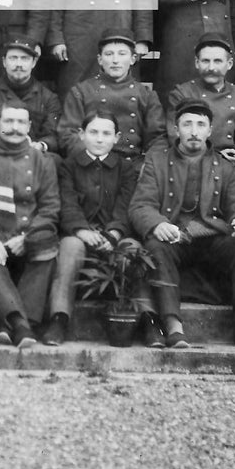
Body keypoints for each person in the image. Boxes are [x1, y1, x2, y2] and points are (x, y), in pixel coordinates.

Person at [130, 99, 235, 350]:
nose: (194, 131)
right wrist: (157, 224)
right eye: (187, 124)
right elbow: (140, 205)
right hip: (175, 237)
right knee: (155, 244)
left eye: (200, 125)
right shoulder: (157, 161)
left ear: (210, 130)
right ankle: (173, 327)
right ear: (176, 129)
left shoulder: (224, 166)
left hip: (213, 237)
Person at [0, 101, 62, 349]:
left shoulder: (42, 161)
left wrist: (28, 237)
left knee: (47, 248)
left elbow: (50, 207)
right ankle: (20, 324)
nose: (15, 128)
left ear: (30, 126)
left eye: (21, 122)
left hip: (25, 239)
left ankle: (8, 324)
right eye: (8, 122)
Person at [54, 110, 142, 345]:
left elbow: (125, 205)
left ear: (116, 137)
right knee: (70, 246)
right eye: (93, 132)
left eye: (106, 133)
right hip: (80, 234)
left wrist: (114, 232)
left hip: (114, 235)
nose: (100, 139)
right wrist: (81, 230)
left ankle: (143, 319)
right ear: (82, 135)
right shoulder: (69, 166)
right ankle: (59, 318)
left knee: (132, 249)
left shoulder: (125, 168)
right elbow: (67, 202)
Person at [164, 35, 235, 177]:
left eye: (218, 61)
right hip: (192, 169)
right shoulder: (181, 94)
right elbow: (176, 137)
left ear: (230, 64)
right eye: (205, 61)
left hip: (234, 171)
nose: (211, 68)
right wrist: (217, 156)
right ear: (197, 63)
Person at [59, 32, 166, 171]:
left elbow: (157, 139)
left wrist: (150, 166)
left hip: (133, 167)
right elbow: (68, 135)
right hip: (91, 165)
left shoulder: (146, 95)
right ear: (100, 59)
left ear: (133, 59)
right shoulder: (81, 92)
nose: (115, 60)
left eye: (122, 54)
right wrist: (92, 158)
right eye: (109, 54)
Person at [0, 36, 63, 155]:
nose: (19, 64)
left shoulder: (48, 98)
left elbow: (52, 134)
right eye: (13, 58)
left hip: (33, 156)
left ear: (33, 63)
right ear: (4, 62)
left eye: (24, 59)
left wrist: (39, 145)